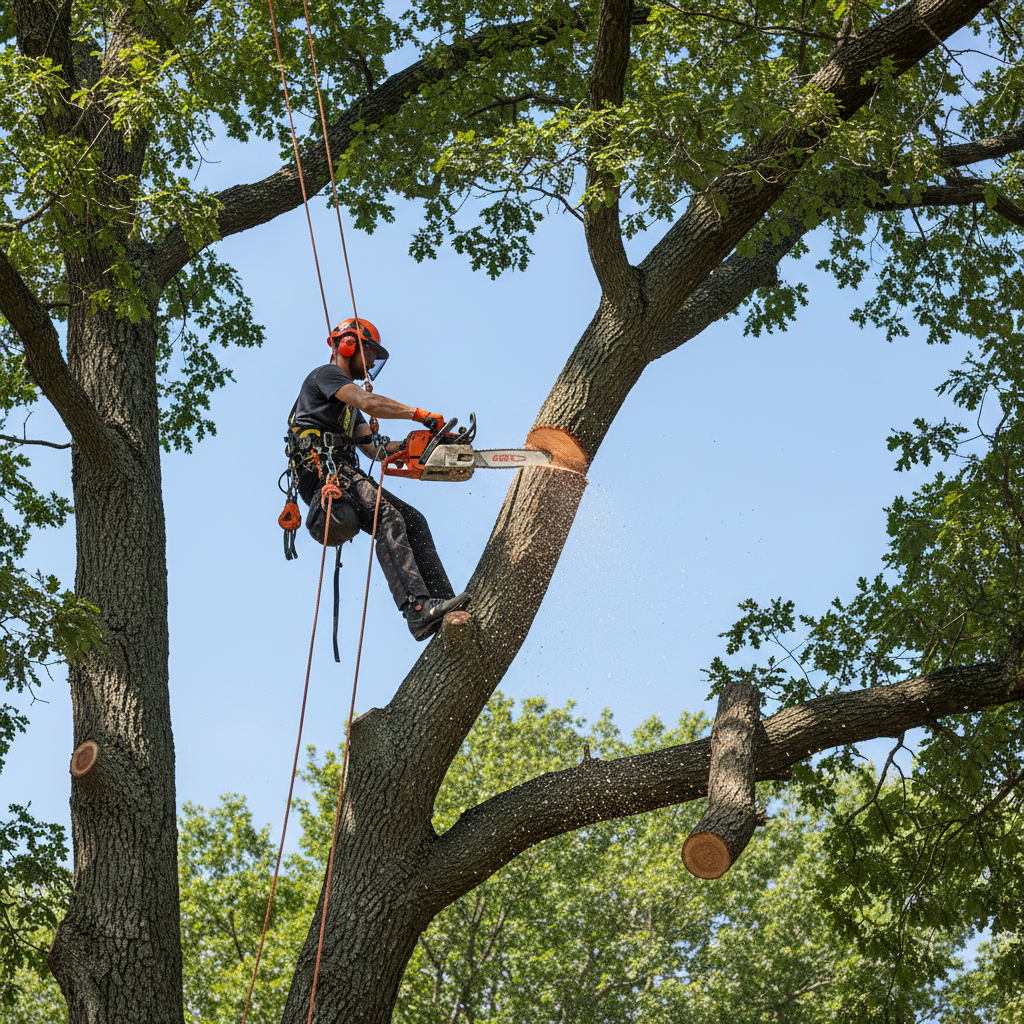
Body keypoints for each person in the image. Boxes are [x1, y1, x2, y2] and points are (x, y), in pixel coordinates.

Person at [287, 317, 470, 641]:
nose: (372, 361)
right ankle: (417, 608)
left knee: (413, 520)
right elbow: (369, 401)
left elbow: (375, 449)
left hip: (344, 468)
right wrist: (419, 414)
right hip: (323, 469)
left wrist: (420, 443)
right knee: (388, 515)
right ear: (348, 344)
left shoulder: (348, 408)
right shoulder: (327, 375)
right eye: (370, 352)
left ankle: (445, 606)